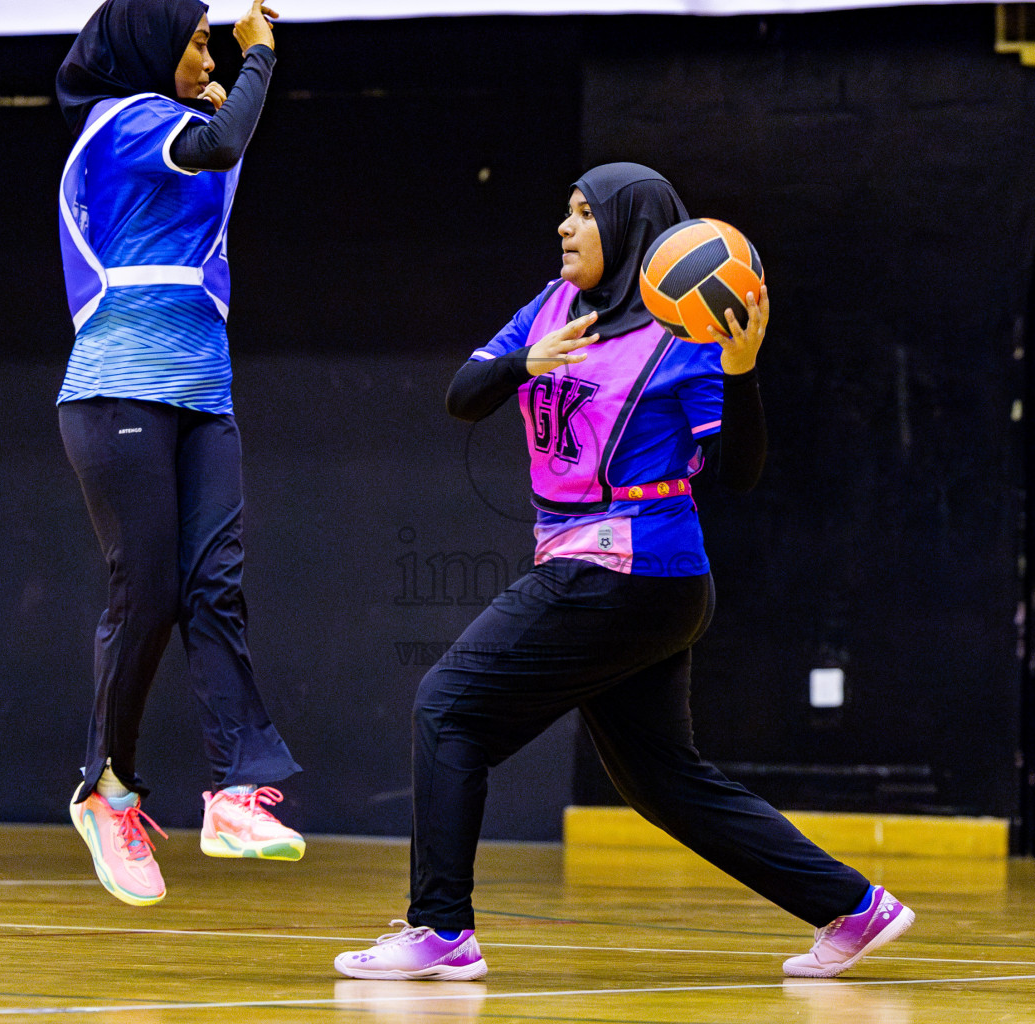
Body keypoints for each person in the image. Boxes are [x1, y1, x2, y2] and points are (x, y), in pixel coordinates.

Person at [334, 163, 914, 981]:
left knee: (448, 706)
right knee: (661, 780)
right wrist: (523, 363)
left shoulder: (690, 337)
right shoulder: (552, 306)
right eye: (564, 211)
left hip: (629, 566)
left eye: (583, 214)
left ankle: (441, 930)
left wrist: (744, 371)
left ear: (633, 228)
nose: (565, 228)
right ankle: (853, 909)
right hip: (624, 575)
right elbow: (464, 398)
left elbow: (741, 473)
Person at [53, 0, 303, 907]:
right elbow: (220, 145)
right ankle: (104, 788)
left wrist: (240, 66)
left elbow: (219, 140)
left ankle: (236, 790)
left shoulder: (179, 120)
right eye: (196, 40)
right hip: (121, 387)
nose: (209, 53)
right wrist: (260, 58)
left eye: (212, 40)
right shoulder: (125, 124)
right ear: (151, 47)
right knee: (147, 591)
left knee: (213, 587)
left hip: (202, 390)